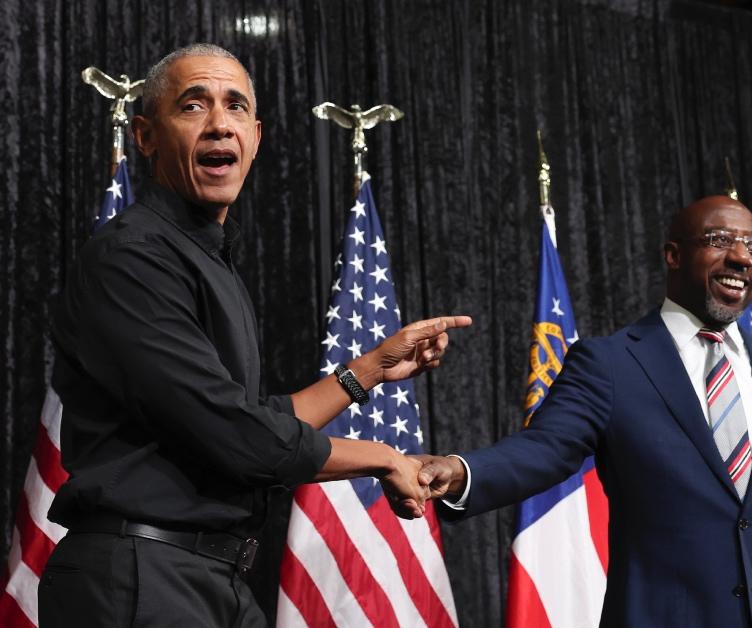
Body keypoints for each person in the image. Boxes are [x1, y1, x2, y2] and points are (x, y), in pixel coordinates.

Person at [39, 43, 469, 627]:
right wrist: (380, 457)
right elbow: (229, 430)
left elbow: (246, 417)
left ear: (257, 136)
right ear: (145, 136)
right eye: (193, 106)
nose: (220, 123)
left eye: (236, 106)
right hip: (140, 577)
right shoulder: (131, 258)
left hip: (208, 579)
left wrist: (368, 369)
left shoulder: (208, 259)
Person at [421, 195, 752, 627]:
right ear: (673, 255)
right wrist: (460, 472)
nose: (742, 258)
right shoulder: (610, 363)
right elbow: (545, 449)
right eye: (720, 241)